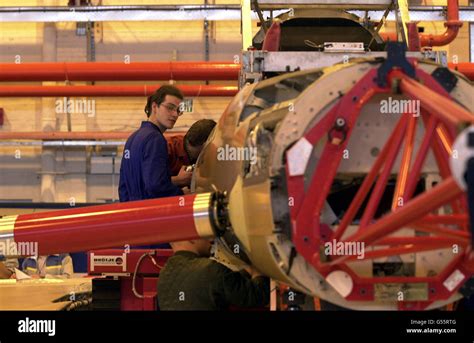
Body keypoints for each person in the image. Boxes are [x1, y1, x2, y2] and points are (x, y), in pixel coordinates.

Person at [157, 239, 270, 310]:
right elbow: (258, 295)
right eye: (204, 234)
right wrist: (258, 271)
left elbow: (222, 285)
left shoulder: (164, 275)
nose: (210, 239)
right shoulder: (210, 269)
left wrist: (246, 272)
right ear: (190, 239)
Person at [119, 85, 186, 202]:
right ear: (154, 107)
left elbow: (123, 187)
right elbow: (156, 186)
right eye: (170, 108)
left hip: (131, 213)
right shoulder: (155, 139)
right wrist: (181, 193)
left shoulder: (132, 138)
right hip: (150, 213)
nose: (175, 114)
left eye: (178, 110)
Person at [168, 119, 217, 188]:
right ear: (206, 144)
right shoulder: (167, 148)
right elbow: (150, 182)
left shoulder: (204, 153)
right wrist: (178, 180)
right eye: (213, 144)